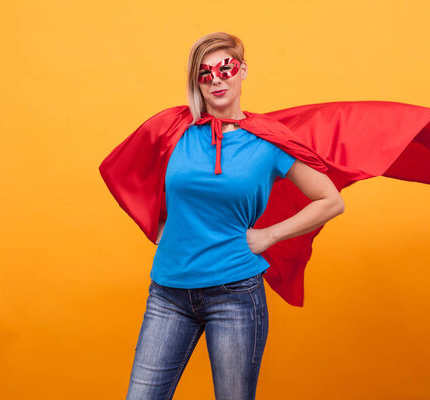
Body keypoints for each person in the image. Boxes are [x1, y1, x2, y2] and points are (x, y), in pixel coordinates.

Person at [125, 32, 345, 400]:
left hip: (235, 295)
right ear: (197, 82)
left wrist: (268, 236)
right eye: (205, 73)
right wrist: (159, 226)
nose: (216, 79)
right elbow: (132, 173)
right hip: (168, 293)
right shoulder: (174, 130)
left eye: (225, 68)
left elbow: (330, 200)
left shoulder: (268, 141)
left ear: (242, 71)